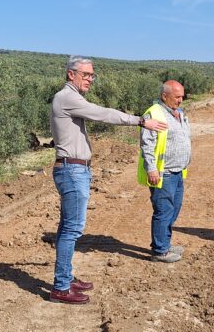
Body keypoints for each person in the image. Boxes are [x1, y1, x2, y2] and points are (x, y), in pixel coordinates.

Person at [49, 56, 167, 304]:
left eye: (93, 75)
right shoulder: (67, 97)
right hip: (72, 171)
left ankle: (66, 278)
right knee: (72, 228)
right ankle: (60, 287)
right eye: (86, 74)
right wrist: (141, 121)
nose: (90, 79)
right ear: (71, 74)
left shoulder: (71, 98)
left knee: (67, 227)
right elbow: (103, 114)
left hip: (74, 170)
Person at [137, 80, 192, 263]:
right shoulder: (154, 114)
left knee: (173, 210)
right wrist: (152, 169)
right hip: (163, 173)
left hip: (178, 172)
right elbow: (147, 144)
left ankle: (164, 243)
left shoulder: (180, 113)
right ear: (164, 96)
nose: (180, 100)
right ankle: (160, 251)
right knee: (163, 211)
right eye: (177, 97)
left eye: (182, 97)